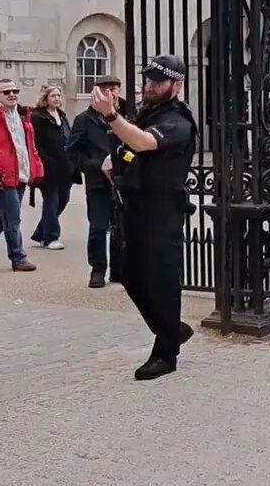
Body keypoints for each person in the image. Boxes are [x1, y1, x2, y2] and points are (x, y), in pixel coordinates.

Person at [94, 55, 197, 380]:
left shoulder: (178, 121)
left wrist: (110, 115)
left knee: (162, 280)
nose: (149, 86)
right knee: (127, 272)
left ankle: (166, 353)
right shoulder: (147, 113)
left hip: (163, 208)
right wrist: (113, 162)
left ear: (176, 86)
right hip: (135, 205)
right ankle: (170, 328)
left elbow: (143, 142)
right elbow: (128, 146)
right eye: (147, 80)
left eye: (157, 82)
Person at [0, 78, 44, 272]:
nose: (12, 94)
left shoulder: (23, 115)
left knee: (6, 216)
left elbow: (28, 147)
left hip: (20, 173)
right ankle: (18, 257)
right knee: (12, 216)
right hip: (0, 176)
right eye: (6, 92)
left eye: (14, 90)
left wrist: (35, 169)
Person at [68, 74, 126, 287]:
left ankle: (119, 269)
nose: (111, 92)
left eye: (114, 88)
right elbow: (73, 152)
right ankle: (98, 269)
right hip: (98, 181)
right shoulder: (84, 119)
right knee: (99, 227)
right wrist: (94, 165)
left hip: (123, 180)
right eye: (106, 89)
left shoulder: (127, 114)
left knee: (121, 227)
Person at [29, 85, 76, 251]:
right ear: (45, 99)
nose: (57, 98)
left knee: (63, 200)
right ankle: (51, 237)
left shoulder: (62, 116)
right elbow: (36, 143)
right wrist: (45, 161)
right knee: (52, 201)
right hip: (48, 167)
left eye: (58, 95)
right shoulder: (38, 117)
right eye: (53, 96)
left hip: (65, 166)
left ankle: (41, 232)